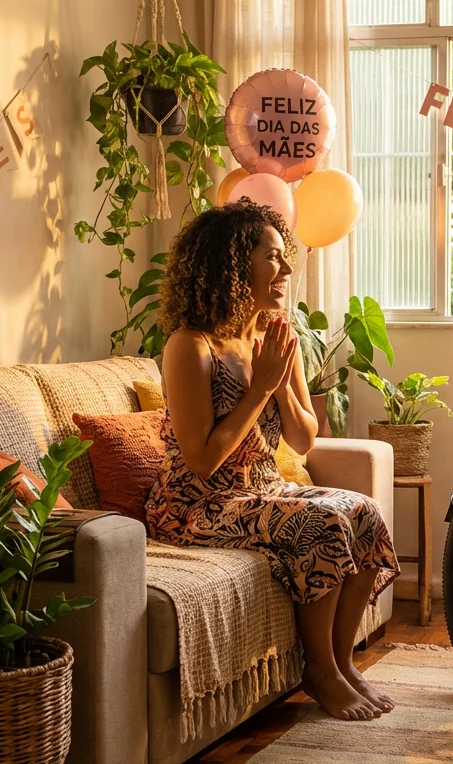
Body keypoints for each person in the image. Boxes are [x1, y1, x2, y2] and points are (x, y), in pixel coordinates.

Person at [145, 201, 400, 722]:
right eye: (273, 258)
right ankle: (320, 671)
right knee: (324, 522)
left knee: (363, 512)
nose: (285, 272)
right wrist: (260, 387)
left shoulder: (275, 337)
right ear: (235, 265)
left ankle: (344, 662)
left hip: (263, 490)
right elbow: (201, 461)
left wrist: (282, 384)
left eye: (285, 259)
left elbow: (305, 439)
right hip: (196, 504)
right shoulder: (190, 346)